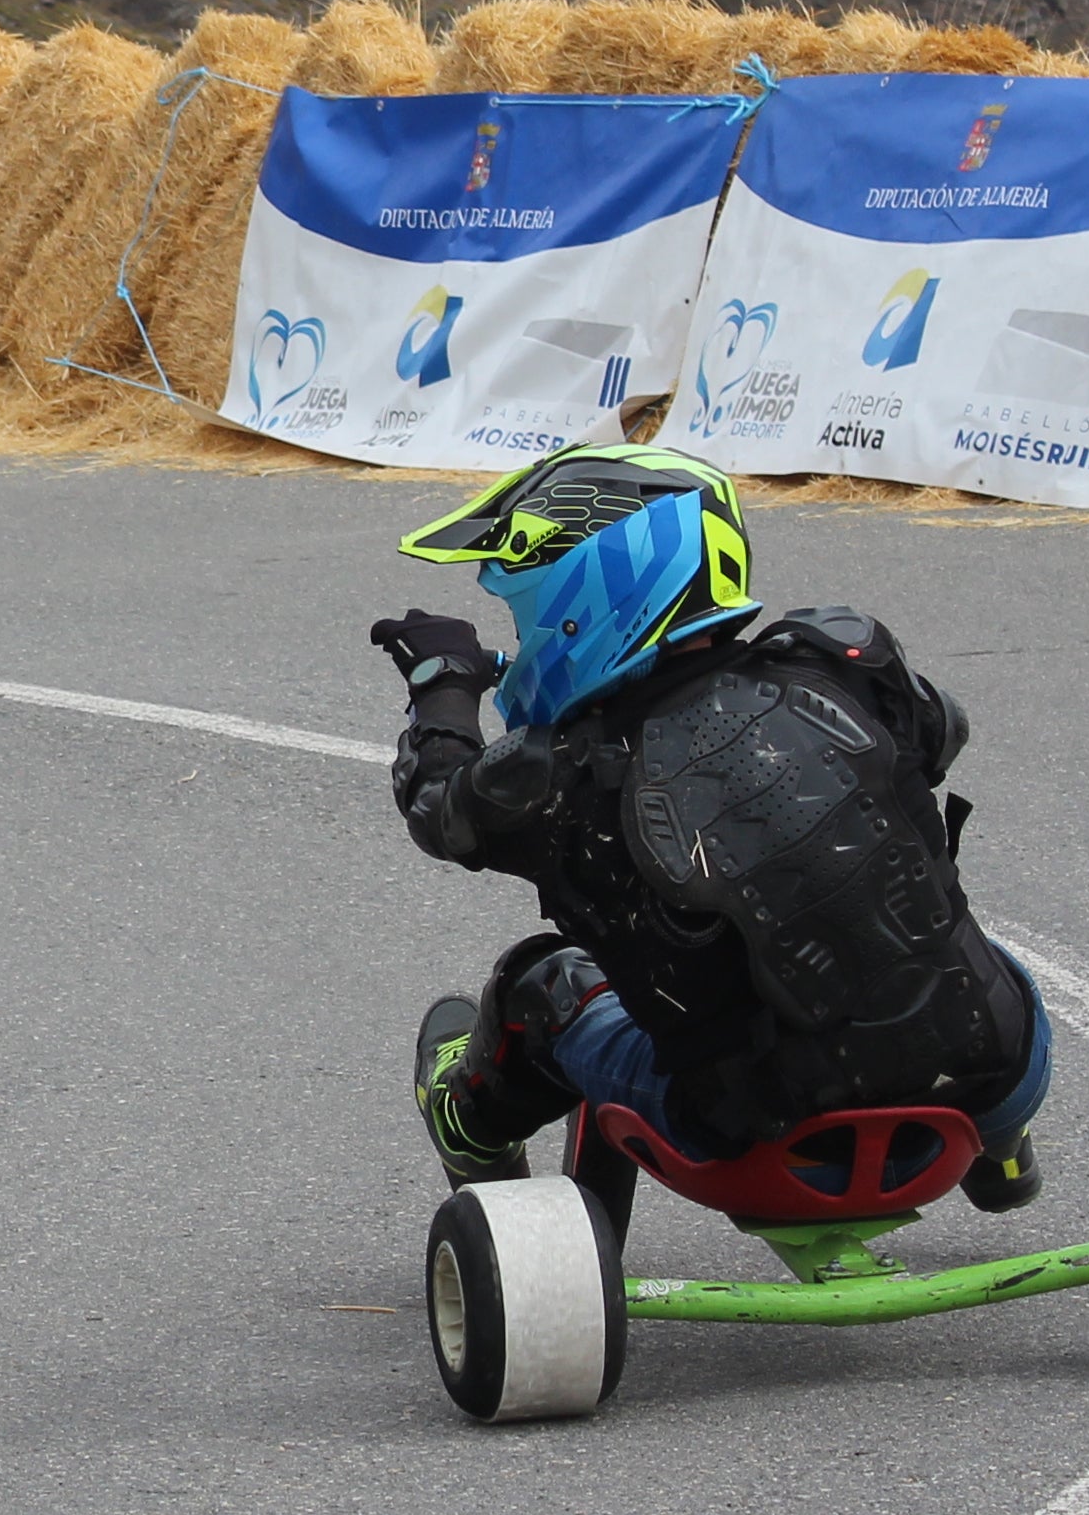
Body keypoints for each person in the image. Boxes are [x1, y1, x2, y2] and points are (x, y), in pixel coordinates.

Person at [373, 444, 1049, 1206]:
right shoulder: (843, 661)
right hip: (1002, 1066)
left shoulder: (554, 777)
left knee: (542, 985)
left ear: (585, 592)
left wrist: (443, 684)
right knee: (923, 922)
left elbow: (438, 806)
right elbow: (942, 732)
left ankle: (473, 1134)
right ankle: (1001, 1153)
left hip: (754, 1136)